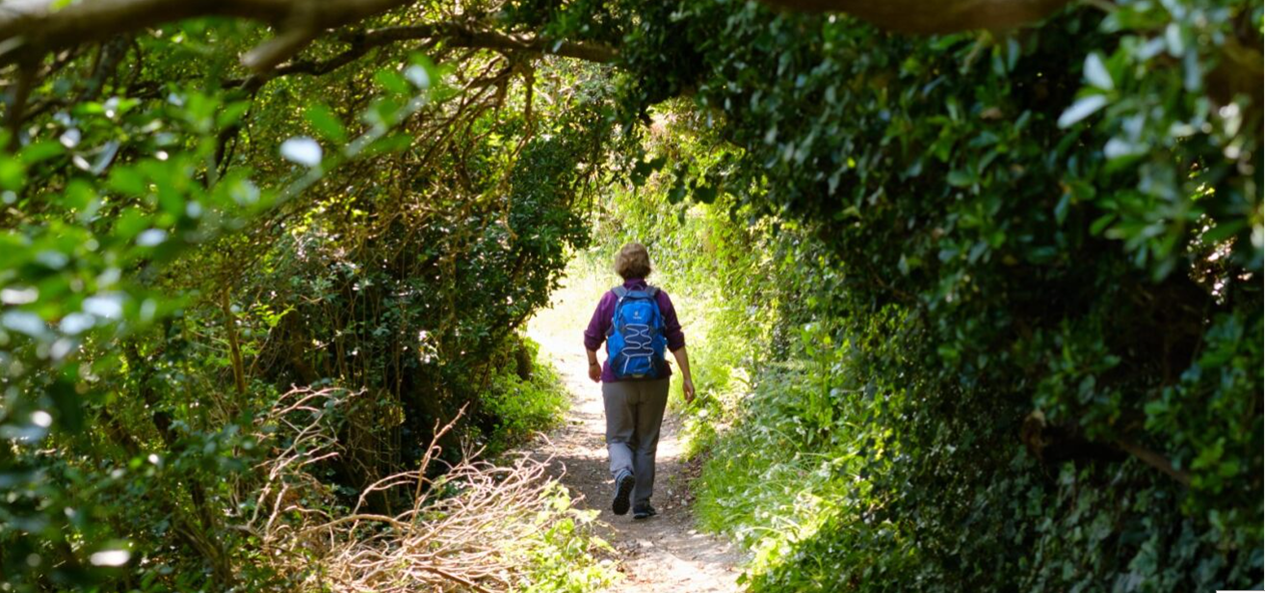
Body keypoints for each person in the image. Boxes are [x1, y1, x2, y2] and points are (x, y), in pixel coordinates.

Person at [584, 242, 695, 519]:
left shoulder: (610, 299)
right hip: (655, 379)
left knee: (619, 438)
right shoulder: (660, 298)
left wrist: (593, 363)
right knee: (646, 442)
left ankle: (623, 473)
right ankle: (642, 504)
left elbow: (591, 337)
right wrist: (687, 378)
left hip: (617, 381)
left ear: (620, 267)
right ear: (646, 266)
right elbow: (676, 340)